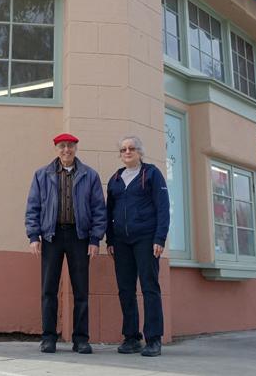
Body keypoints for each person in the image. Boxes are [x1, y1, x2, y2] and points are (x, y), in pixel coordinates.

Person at [25, 133, 107, 354]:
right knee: (49, 289)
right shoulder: (42, 175)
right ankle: (48, 338)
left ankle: (81, 339)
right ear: (56, 149)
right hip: (51, 237)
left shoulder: (90, 175)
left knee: (81, 290)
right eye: (62, 146)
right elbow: (33, 208)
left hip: (79, 237)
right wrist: (34, 236)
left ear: (76, 148)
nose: (66, 150)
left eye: (70, 146)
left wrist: (95, 239)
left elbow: (99, 209)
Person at [106, 135, 170, 357]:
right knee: (125, 289)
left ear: (140, 152)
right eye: (123, 149)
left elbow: (163, 207)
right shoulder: (115, 179)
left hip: (146, 239)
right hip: (121, 241)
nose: (127, 152)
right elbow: (108, 212)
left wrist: (159, 238)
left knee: (149, 288)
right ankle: (131, 338)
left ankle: (154, 339)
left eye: (131, 148)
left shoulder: (151, 174)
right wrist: (110, 240)